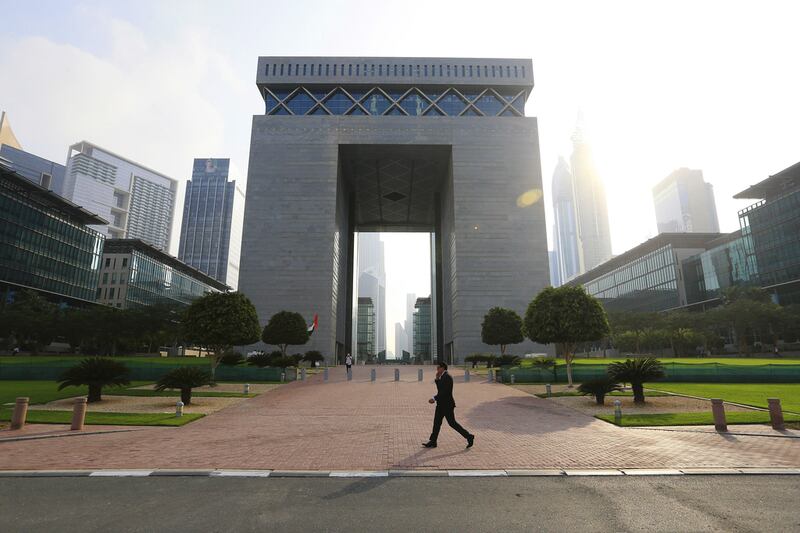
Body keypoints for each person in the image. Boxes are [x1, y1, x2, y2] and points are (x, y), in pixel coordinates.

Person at [422, 362, 475, 449]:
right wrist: (437, 379)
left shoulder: (448, 377)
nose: (437, 369)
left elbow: (444, 392)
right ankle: (433, 441)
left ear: (443, 368)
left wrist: (434, 398)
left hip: (447, 405)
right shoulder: (442, 377)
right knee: (436, 423)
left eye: (438, 367)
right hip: (441, 404)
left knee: (452, 423)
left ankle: (469, 436)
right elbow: (440, 390)